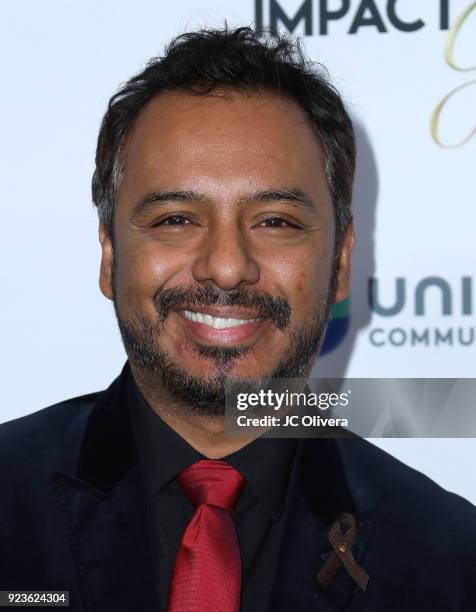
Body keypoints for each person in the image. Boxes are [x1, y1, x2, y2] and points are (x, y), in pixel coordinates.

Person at [1, 26, 475, 612]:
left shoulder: (451, 559)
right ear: (108, 255)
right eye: (176, 219)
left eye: (275, 221)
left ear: (342, 261)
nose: (226, 268)